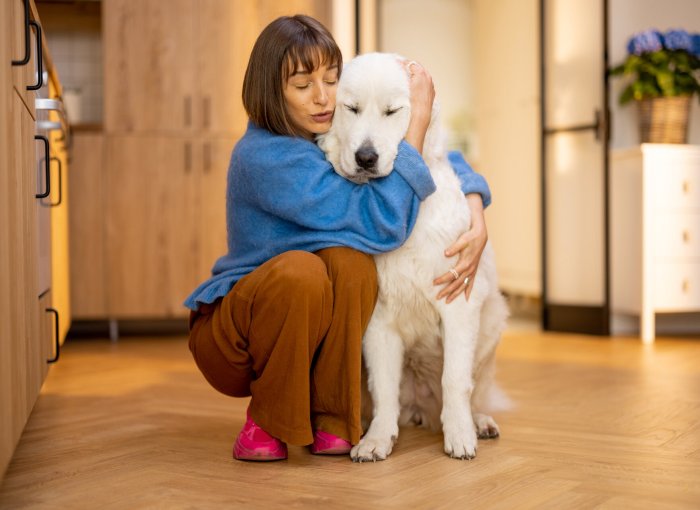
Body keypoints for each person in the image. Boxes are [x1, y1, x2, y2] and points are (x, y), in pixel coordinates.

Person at [184, 14, 492, 462]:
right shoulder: (267, 159)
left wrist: (475, 206)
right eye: (303, 84)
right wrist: (418, 120)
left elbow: (441, 154)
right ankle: (264, 420)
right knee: (304, 270)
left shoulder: (327, 127)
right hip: (235, 339)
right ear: (272, 90)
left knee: (349, 263)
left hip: (297, 325)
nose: (323, 97)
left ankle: (331, 417)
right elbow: (381, 222)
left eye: (331, 80)